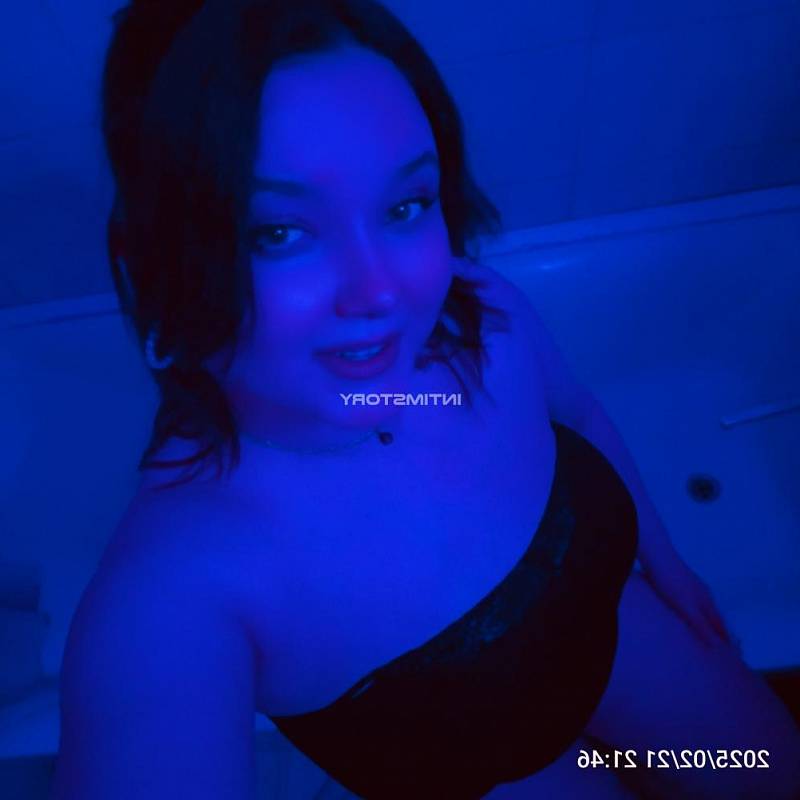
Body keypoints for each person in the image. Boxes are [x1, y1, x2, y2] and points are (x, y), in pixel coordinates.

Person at [50, 1, 800, 798]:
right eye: (278, 231)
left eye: (405, 205)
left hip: (620, 638)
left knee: (769, 772)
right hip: (491, 767)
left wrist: (666, 562)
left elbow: (577, 414)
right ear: (167, 256)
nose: (384, 293)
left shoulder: (482, 319)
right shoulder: (174, 595)